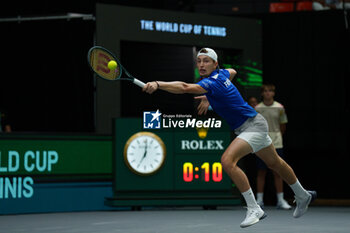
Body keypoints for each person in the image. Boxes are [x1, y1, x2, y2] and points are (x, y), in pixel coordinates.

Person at [142, 48, 316, 228]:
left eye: (206, 61)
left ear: (215, 64)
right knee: (275, 163)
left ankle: (254, 208)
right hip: (251, 125)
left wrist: (157, 83)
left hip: (253, 125)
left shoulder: (212, 82)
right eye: (199, 61)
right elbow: (233, 72)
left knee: (227, 160)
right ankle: (303, 195)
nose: (201, 64)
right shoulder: (222, 74)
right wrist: (210, 97)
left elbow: (185, 87)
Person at [253, 85, 291, 210]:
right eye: (265, 91)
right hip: (261, 143)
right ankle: (259, 201)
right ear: (262, 94)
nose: (268, 93)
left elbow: (283, 127)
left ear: (273, 93)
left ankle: (280, 200)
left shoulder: (279, 108)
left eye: (270, 91)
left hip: (277, 143)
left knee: (278, 172)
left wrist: (275, 137)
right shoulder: (257, 108)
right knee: (261, 172)